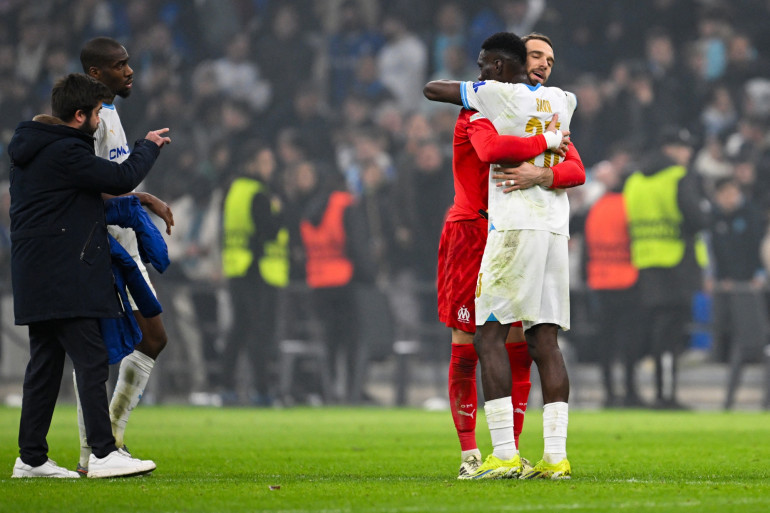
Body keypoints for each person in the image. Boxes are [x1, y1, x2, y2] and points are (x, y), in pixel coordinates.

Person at [424, 32, 585, 479]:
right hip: (473, 231)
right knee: (470, 343)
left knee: (517, 344)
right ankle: (471, 452)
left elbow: (576, 167)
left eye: (550, 58)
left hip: (514, 230)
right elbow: (490, 148)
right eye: (536, 55)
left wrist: (542, 173)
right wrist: (546, 146)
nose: (543, 65)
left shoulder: (538, 108)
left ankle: (512, 453)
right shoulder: (481, 110)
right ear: (514, 63)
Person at [8, 73, 169, 478]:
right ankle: (102, 452)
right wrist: (147, 147)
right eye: (97, 112)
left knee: (45, 365)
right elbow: (119, 177)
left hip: (34, 271)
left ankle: (31, 459)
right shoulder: (66, 152)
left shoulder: (33, 150)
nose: (101, 120)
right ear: (79, 115)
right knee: (91, 357)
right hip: (65, 271)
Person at [74, 36, 176, 474]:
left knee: (153, 338)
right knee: (96, 352)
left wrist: (143, 197)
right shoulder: (88, 122)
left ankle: (111, 439)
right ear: (96, 74)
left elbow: (113, 178)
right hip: (104, 246)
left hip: (127, 243)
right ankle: (93, 453)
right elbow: (83, 184)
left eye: (128, 63)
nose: (129, 70)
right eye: (119, 65)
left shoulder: (110, 112)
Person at [623, 127, 711, 409]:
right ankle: (666, 394)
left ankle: (633, 391)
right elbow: (697, 219)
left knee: (647, 330)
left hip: (643, 262)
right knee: (671, 335)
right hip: (677, 262)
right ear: (670, 149)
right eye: (684, 148)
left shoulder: (634, 180)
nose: (688, 154)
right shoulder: (678, 177)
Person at [220, 144, 289, 405]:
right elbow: (268, 232)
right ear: (252, 164)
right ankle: (262, 390)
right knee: (260, 332)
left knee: (238, 330)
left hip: (236, 266)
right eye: (265, 161)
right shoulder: (260, 194)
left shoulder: (234, 191)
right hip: (257, 269)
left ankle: (227, 386)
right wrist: (280, 212)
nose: (270, 167)